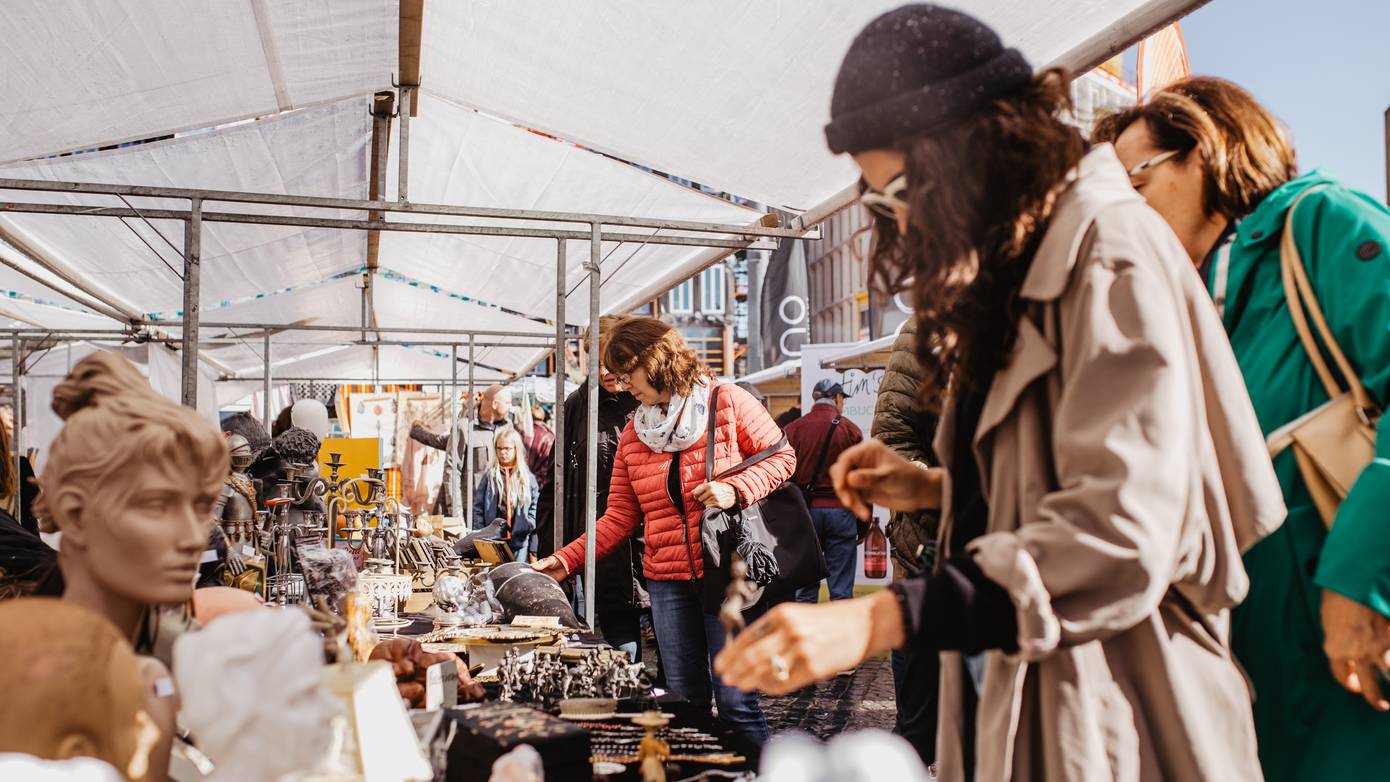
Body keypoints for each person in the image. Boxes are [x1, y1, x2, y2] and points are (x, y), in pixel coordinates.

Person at [713, 6, 1286, 779]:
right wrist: (936, 487)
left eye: (907, 188)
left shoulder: (1107, 252)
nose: (905, 221)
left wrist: (884, 616)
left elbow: (1123, 529)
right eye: (882, 204)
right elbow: (1065, 489)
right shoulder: (1028, 269)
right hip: (1036, 699)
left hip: (1124, 718)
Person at [1093, 76, 1390, 782]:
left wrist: (1362, 582)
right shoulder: (1196, 299)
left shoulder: (1322, 222)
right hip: (1260, 674)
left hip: (1347, 650)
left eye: (1135, 184)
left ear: (1202, 154)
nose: (1122, 217)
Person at [534, 316, 794, 744]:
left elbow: (783, 458)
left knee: (735, 700)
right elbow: (618, 516)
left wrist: (735, 489)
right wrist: (565, 560)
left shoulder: (726, 400)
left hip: (727, 575)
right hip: (667, 582)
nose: (620, 383)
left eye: (625, 372)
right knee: (684, 700)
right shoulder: (636, 434)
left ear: (654, 361)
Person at [869, 317, 941, 765]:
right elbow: (893, 439)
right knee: (919, 714)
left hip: (1031, 558)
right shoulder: (924, 332)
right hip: (928, 546)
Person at [552, 315, 644, 659]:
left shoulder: (649, 401)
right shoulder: (578, 405)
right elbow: (555, 484)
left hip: (652, 546)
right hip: (602, 548)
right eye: (596, 361)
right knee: (622, 648)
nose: (605, 370)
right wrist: (555, 551)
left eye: (612, 361)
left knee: (674, 658)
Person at [783, 378, 863, 603]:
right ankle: (839, 638)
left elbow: (783, 479)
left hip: (805, 516)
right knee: (841, 592)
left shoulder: (792, 430)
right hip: (842, 512)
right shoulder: (850, 430)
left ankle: (805, 638)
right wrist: (863, 526)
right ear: (837, 398)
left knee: (805, 592)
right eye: (843, 399)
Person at [410, 383, 513, 517]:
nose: (511, 407)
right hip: (470, 509)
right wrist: (456, 513)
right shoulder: (465, 426)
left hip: (498, 508)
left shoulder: (508, 427)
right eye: (508, 402)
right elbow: (449, 459)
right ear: (494, 404)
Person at [473, 428, 537, 562]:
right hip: (492, 541)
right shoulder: (490, 476)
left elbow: (535, 506)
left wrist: (527, 525)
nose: (503, 452)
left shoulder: (526, 478)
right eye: (499, 448)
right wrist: (480, 533)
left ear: (516, 449)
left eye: (507, 448)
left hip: (519, 541)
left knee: (516, 577)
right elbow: (478, 507)